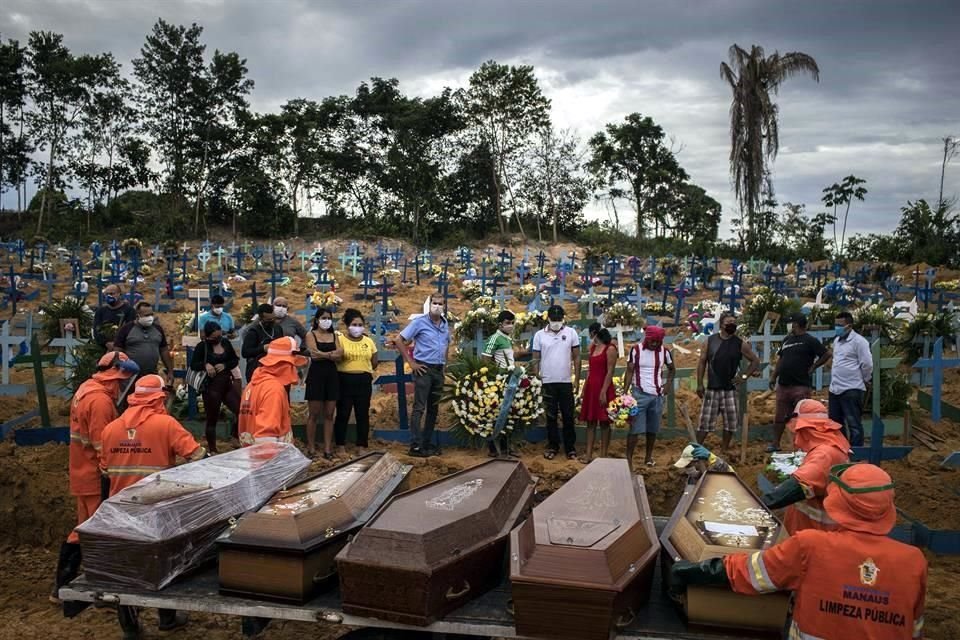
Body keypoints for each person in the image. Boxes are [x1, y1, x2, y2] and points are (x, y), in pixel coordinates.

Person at [670, 463, 927, 640]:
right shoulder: (914, 561)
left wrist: (696, 570)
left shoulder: (811, 546)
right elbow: (913, 628)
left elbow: (752, 573)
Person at [99, 374, 205, 638]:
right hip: (159, 510)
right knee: (165, 564)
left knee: (126, 569)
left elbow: (104, 469)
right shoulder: (166, 424)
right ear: (159, 397)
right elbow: (198, 456)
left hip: (122, 510)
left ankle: (130, 627)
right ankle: (167, 618)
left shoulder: (110, 429)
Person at [53, 352, 139, 602]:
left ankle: (63, 586)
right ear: (115, 377)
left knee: (84, 529)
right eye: (122, 382)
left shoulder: (86, 390)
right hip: (94, 473)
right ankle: (85, 587)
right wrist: (111, 473)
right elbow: (103, 444)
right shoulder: (100, 402)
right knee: (98, 531)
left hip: (82, 470)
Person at [762, 398, 851, 534]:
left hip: (815, 535)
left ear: (805, 429)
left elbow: (797, 487)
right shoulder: (832, 447)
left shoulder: (824, 455)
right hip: (817, 531)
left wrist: (756, 504)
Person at [696, 312, 760, 452]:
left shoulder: (740, 343)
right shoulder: (710, 341)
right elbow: (702, 363)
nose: (732, 325)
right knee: (705, 422)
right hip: (712, 388)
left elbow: (755, 361)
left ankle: (724, 449)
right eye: (728, 323)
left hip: (730, 389)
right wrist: (699, 383)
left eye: (734, 323)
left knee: (730, 422)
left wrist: (743, 377)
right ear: (721, 325)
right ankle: (696, 448)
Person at [396, 294, 451, 457]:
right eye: (434, 303)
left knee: (433, 409)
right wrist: (411, 362)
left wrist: (444, 364)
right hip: (423, 369)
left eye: (440, 304)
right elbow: (399, 340)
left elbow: (447, 344)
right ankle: (415, 444)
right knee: (419, 407)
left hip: (438, 369)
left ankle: (426, 442)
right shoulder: (419, 322)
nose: (437, 306)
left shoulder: (445, 324)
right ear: (430, 304)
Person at [768, 313, 830, 451]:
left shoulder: (810, 340)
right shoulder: (787, 340)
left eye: (791, 323)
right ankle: (775, 443)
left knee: (801, 417)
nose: (789, 326)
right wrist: (774, 376)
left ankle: (801, 446)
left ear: (796, 324)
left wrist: (814, 367)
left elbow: (826, 354)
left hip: (800, 385)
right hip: (783, 384)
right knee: (780, 416)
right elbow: (781, 360)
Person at [531, 305, 581, 461]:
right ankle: (553, 445)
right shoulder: (539, 335)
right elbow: (535, 357)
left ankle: (570, 448)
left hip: (565, 381)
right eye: (554, 319)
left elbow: (577, 357)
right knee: (551, 416)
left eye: (559, 319)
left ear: (563, 318)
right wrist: (536, 376)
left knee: (568, 415)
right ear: (548, 318)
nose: (557, 322)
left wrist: (577, 379)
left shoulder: (571, 333)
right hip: (547, 381)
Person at [238, 336, 307, 446]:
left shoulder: (252, 385)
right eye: (292, 364)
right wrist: (272, 462)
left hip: (252, 456)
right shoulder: (273, 390)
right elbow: (266, 436)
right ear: (285, 363)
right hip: (270, 458)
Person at [624, 325, 675, 469]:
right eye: (653, 341)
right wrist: (625, 392)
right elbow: (629, 371)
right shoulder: (636, 350)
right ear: (648, 338)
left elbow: (672, 369)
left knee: (652, 429)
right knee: (635, 429)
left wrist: (668, 385)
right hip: (639, 394)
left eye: (658, 342)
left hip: (657, 395)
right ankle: (628, 459)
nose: (655, 344)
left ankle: (648, 457)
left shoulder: (664, 352)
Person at [190, 321, 241, 454]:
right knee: (212, 418)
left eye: (219, 336)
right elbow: (194, 364)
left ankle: (235, 436)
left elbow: (234, 360)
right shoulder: (203, 346)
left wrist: (225, 365)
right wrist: (205, 365)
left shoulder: (225, 343)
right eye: (214, 337)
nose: (217, 339)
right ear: (207, 336)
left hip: (226, 384)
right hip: (211, 387)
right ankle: (212, 448)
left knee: (240, 410)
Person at [334, 309, 378, 455]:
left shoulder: (368, 341)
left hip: (364, 380)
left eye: (360, 324)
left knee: (362, 413)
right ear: (347, 325)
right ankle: (340, 445)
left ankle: (362, 445)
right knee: (343, 413)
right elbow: (338, 358)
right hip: (345, 380)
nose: (357, 327)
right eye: (354, 324)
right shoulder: (340, 340)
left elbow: (374, 360)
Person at [828, 310, 873, 446]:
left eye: (840, 325)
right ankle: (842, 449)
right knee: (836, 423)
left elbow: (867, 364)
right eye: (836, 324)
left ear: (849, 326)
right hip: (835, 389)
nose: (837, 327)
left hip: (851, 388)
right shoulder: (837, 341)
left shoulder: (859, 342)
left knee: (854, 423)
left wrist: (865, 379)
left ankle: (856, 452)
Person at [482, 310, 521, 458]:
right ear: (500, 324)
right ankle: (492, 447)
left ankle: (506, 447)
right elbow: (485, 359)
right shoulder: (495, 338)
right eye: (507, 323)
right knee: (494, 414)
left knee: (508, 414)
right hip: (498, 382)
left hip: (510, 380)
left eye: (512, 323)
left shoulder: (508, 339)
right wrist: (492, 377)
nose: (510, 326)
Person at [304, 308, 342, 458]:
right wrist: (331, 355)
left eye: (329, 317)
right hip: (316, 376)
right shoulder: (311, 334)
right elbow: (314, 355)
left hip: (332, 376)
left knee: (329, 413)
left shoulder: (334, 335)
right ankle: (311, 447)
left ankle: (327, 448)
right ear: (317, 319)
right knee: (314, 413)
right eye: (323, 317)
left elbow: (341, 354)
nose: (326, 320)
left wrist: (324, 354)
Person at [579, 327, 617, 464]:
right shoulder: (593, 349)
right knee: (590, 422)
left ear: (595, 334)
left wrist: (603, 391)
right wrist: (584, 388)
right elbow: (590, 370)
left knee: (604, 422)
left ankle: (603, 455)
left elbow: (610, 371)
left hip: (604, 387)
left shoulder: (610, 349)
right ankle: (588, 455)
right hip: (591, 388)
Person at [113, 301, 174, 385]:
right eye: (146, 315)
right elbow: (117, 351)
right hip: (130, 377)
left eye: (151, 314)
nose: (150, 317)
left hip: (151, 375)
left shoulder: (158, 329)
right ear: (138, 316)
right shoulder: (126, 329)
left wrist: (170, 371)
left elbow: (164, 350)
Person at [241, 303, 283, 382]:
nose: (271, 322)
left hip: (276, 368)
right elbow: (245, 352)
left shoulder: (277, 328)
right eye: (268, 320)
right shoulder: (253, 332)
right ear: (260, 318)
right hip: (258, 369)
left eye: (272, 319)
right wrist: (262, 348)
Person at [92, 283, 135, 351]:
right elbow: (96, 329)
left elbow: (130, 329)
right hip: (103, 348)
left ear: (119, 294)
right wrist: (106, 342)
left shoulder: (129, 310)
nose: (109, 296)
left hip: (123, 348)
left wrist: (118, 343)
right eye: (107, 294)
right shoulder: (101, 311)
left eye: (112, 294)